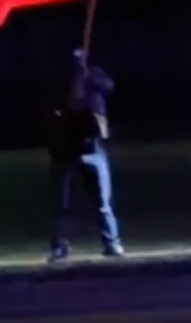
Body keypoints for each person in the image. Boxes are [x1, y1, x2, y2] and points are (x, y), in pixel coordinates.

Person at [48, 49, 124, 262]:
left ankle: (112, 242)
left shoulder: (95, 77)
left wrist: (87, 76)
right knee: (64, 204)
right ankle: (60, 246)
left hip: (94, 149)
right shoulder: (63, 84)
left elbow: (109, 87)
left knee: (103, 202)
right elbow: (60, 108)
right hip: (69, 151)